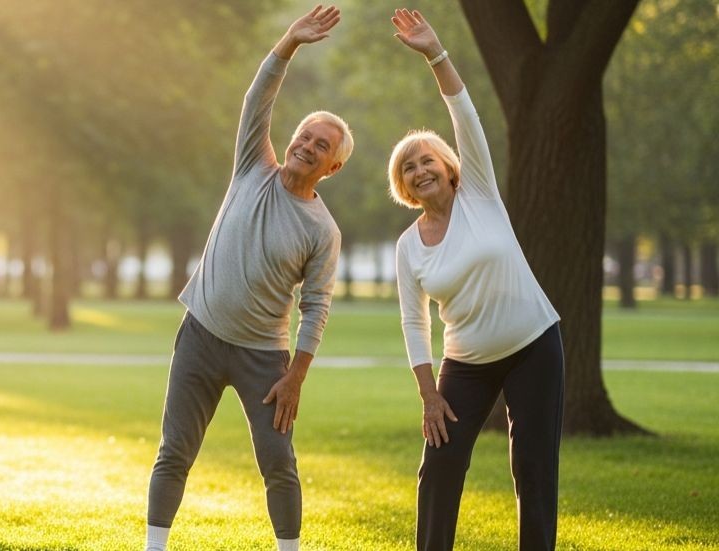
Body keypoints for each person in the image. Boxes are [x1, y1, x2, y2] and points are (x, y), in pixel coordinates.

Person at [145, 6, 352, 551]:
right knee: (174, 451)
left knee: (279, 465)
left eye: (321, 146)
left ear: (332, 167)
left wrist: (296, 376)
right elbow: (255, 100)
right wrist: (289, 42)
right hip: (200, 336)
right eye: (305, 135)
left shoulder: (322, 231)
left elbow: (317, 306)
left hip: (264, 357)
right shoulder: (251, 168)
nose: (307, 145)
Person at [387, 8, 565, 551]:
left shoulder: (479, 194)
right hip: (464, 364)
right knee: (439, 467)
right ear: (406, 188)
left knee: (532, 469)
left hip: (533, 345)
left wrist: (435, 54)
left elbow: (464, 113)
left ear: (447, 164)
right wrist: (428, 395)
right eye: (408, 169)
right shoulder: (408, 245)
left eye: (426, 160)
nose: (420, 170)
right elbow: (413, 324)